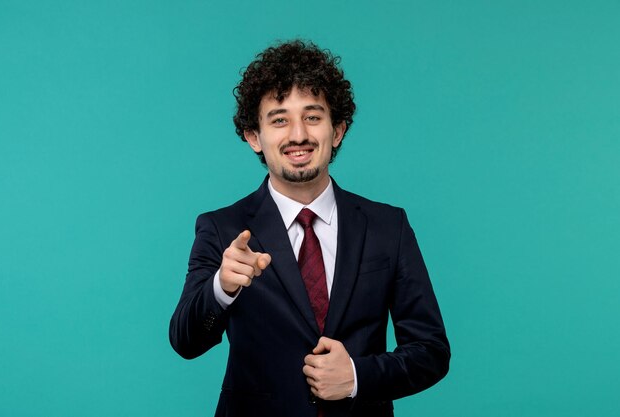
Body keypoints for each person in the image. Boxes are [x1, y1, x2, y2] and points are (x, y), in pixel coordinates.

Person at [169, 40, 450, 417]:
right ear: (255, 136)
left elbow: (431, 351)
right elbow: (185, 341)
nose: (298, 135)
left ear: (337, 131)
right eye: (280, 119)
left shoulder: (388, 226)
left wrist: (355, 376)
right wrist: (221, 288)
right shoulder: (222, 228)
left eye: (313, 116)